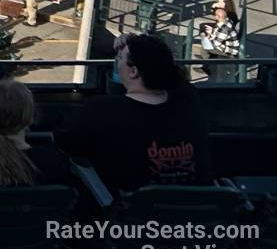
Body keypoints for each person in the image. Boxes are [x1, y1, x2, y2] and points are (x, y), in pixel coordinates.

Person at [62, 33, 206, 191]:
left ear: (134, 72)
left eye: (120, 59)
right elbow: (177, 78)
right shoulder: (188, 100)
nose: (118, 62)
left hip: (130, 211)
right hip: (195, 209)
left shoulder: (101, 110)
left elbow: (64, 140)